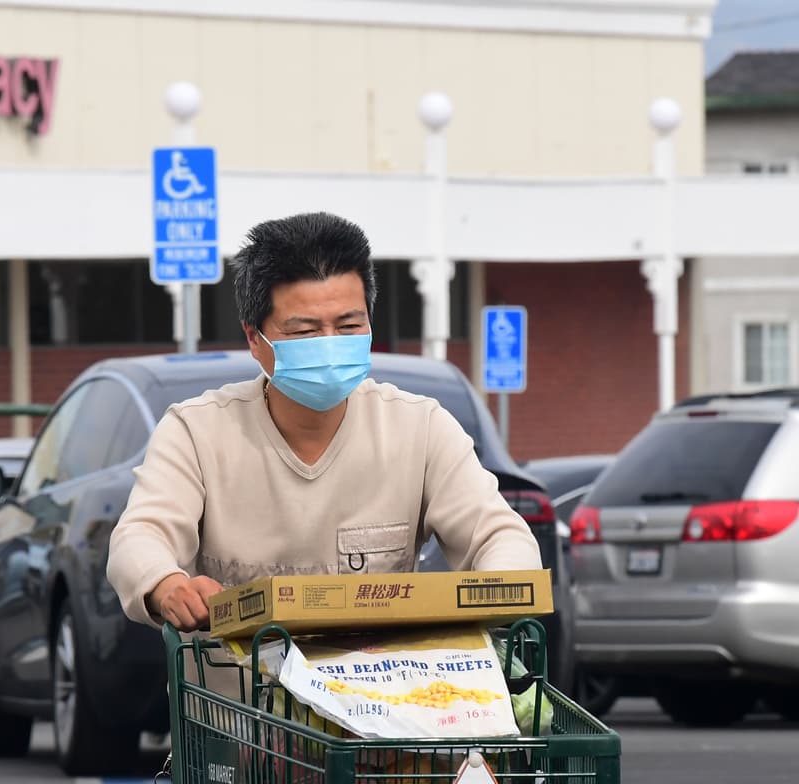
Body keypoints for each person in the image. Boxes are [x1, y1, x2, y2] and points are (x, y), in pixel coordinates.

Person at [107, 212, 541, 634]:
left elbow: (497, 534)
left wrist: (499, 590)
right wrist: (167, 585)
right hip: (235, 703)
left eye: (349, 324)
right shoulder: (196, 434)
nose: (330, 344)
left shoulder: (421, 429)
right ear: (254, 339)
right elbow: (140, 535)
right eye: (305, 331)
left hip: (380, 698)